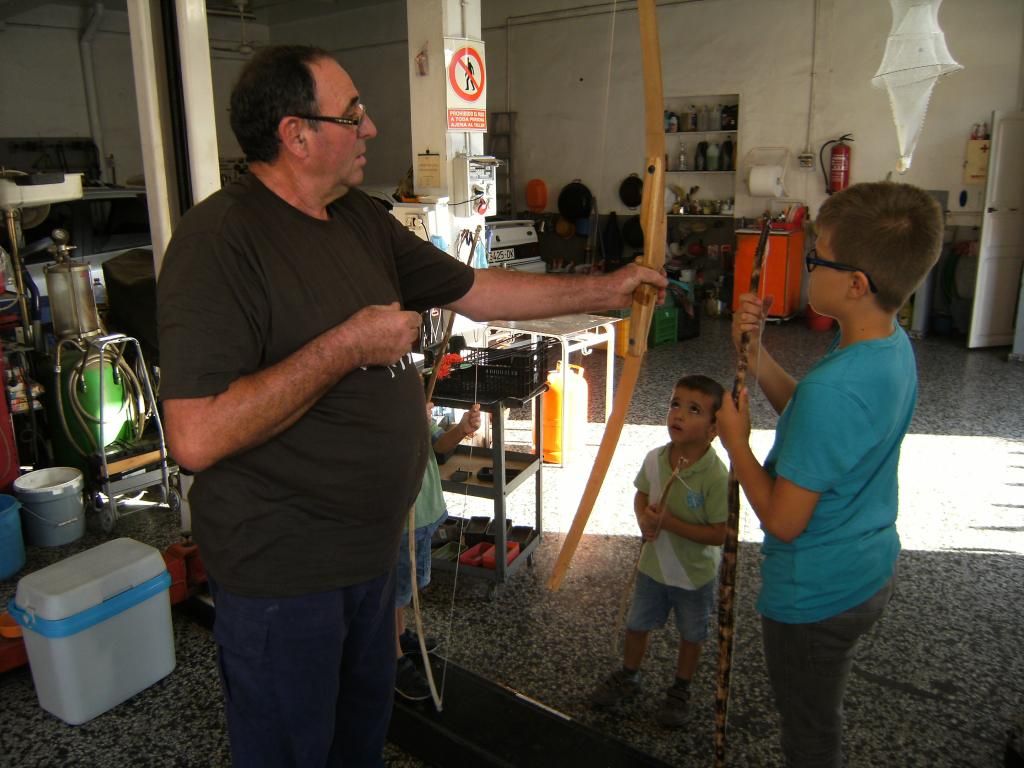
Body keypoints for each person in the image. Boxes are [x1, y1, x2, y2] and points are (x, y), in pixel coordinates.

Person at [156, 45, 665, 768]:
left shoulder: (358, 218)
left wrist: (604, 289)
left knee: (359, 741)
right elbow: (197, 435)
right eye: (352, 114)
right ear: (296, 134)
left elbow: (476, 289)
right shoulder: (219, 242)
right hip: (284, 574)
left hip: (370, 555)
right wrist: (348, 345)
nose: (370, 127)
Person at [715, 181, 943, 767]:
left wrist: (737, 446)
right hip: (864, 567)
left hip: (815, 594)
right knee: (818, 710)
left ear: (855, 284)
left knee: (810, 731)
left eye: (816, 258)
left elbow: (785, 520)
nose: (807, 266)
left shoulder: (835, 388)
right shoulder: (888, 347)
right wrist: (757, 354)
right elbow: (818, 428)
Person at [590, 374, 728, 728]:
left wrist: (669, 523)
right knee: (637, 624)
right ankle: (629, 674)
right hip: (653, 567)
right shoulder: (655, 460)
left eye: (694, 410)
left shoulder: (715, 476)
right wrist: (643, 519)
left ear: (714, 429)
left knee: (691, 634)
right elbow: (641, 495)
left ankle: (681, 688)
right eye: (675, 404)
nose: (678, 414)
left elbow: (719, 534)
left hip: (694, 574)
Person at [394, 401, 481, 701]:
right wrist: (408, 420)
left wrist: (461, 430)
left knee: (406, 587)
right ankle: (392, 657)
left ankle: (400, 636)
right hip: (400, 516)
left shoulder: (409, 390)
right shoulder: (378, 398)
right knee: (393, 591)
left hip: (424, 511)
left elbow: (438, 443)